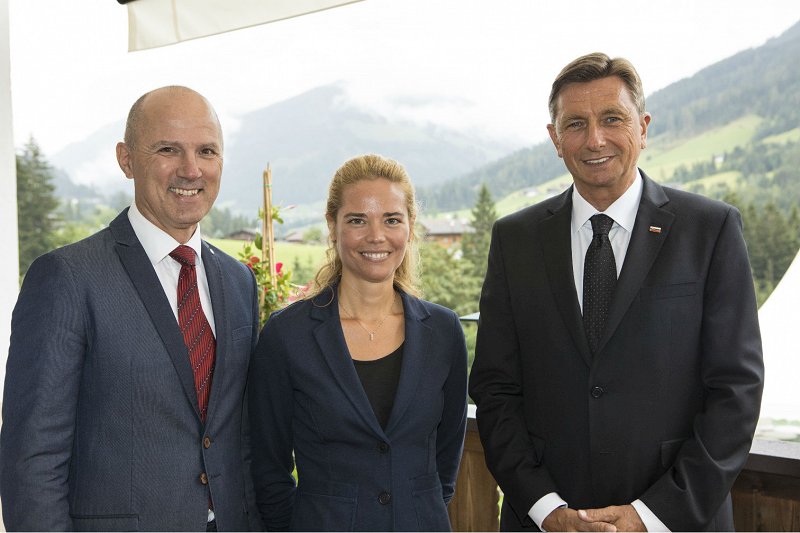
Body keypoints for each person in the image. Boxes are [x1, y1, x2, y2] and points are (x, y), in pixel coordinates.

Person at [468, 53, 764, 532]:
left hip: (677, 520)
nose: (595, 139)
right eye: (576, 124)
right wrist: (546, 509)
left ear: (643, 127)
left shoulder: (709, 230)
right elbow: (495, 390)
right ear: (555, 139)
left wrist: (650, 517)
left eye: (612, 119)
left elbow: (736, 392)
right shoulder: (515, 239)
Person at [0, 86, 261, 531]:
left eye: (207, 151)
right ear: (126, 159)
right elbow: (33, 459)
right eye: (168, 149)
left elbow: (241, 437)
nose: (191, 169)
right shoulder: (67, 277)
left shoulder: (238, 281)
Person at [248, 154, 468, 531]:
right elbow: (268, 467)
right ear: (332, 227)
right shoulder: (287, 336)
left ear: (411, 227)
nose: (376, 236)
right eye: (357, 220)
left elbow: (445, 463)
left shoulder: (444, 332)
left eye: (392, 220)